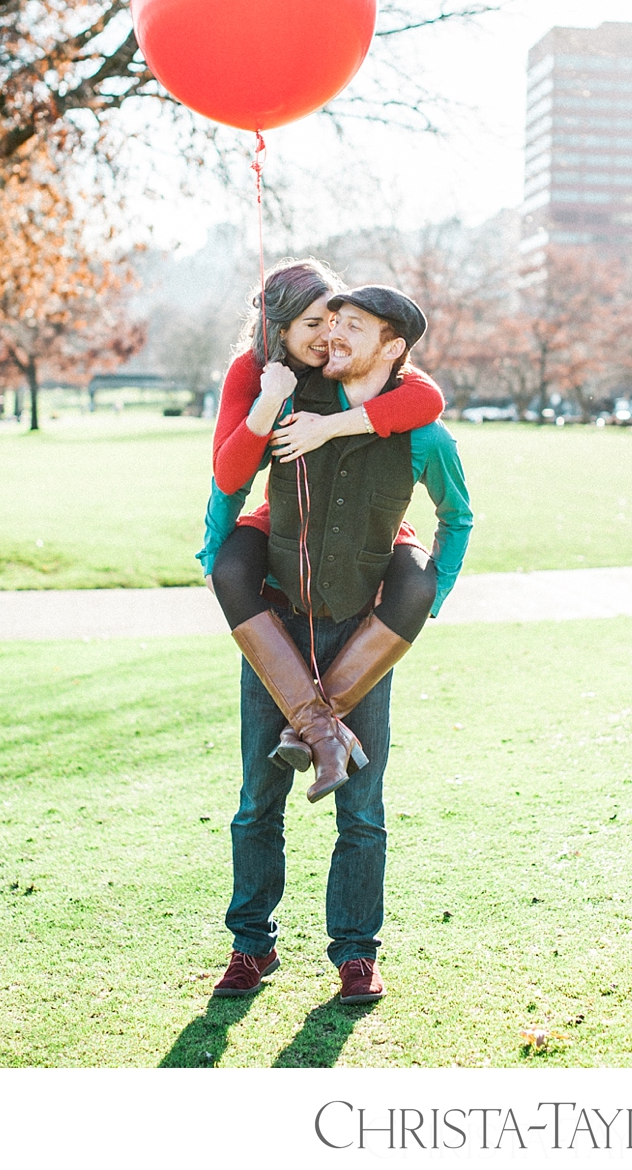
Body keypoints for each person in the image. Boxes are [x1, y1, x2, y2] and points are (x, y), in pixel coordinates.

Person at [211, 286, 473, 1005]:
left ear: (391, 348)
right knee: (255, 800)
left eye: (353, 326)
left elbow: (458, 517)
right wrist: (215, 546)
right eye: (331, 321)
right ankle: (249, 946)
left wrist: (428, 598)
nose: (334, 334)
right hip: (275, 627)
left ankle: (355, 955)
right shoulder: (293, 399)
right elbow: (229, 476)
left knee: (360, 808)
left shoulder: (422, 433)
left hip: (365, 634)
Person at [198, 260, 446, 772]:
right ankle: (319, 729)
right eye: (313, 325)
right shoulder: (253, 369)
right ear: (279, 328)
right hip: (288, 514)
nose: (326, 336)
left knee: (415, 582)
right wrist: (266, 405)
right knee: (230, 567)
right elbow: (229, 478)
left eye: (333, 322)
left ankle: (315, 726)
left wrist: (332, 426)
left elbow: (428, 398)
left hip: (366, 520)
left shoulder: (346, 358)